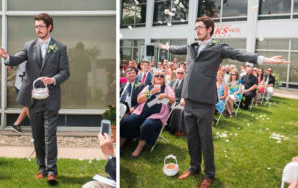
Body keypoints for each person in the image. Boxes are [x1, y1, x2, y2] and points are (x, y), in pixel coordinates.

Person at [158, 16, 289, 187]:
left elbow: (240, 54)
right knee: (191, 138)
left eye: (200, 27)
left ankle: (209, 174)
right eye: (196, 27)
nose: (197, 30)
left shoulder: (218, 48)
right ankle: (194, 167)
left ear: (210, 29)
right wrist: (166, 47)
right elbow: (176, 49)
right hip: (188, 100)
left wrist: (265, 60)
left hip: (205, 102)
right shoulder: (191, 46)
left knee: (205, 140)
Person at [0, 13, 69, 185]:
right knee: (38, 135)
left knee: (50, 135)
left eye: (41, 26)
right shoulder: (29, 45)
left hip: (51, 98)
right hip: (33, 99)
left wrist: (54, 79)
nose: (38, 29)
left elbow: (65, 71)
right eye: (36, 26)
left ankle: (52, 171)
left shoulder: (60, 47)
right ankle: (41, 168)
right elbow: (17, 58)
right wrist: (6, 57)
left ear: (49, 27)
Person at [120, 70, 175, 158]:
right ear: (154, 78)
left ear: (164, 78)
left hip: (158, 114)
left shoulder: (167, 88)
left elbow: (173, 101)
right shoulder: (148, 87)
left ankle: (139, 148)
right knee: (127, 121)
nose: (159, 77)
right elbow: (139, 100)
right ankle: (121, 142)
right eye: (157, 76)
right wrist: (150, 93)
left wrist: (166, 96)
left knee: (148, 124)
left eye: (161, 76)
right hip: (142, 111)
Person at [10, 61, 30, 133]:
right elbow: (9, 67)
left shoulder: (35, 55)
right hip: (21, 86)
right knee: (29, 105)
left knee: (28, 106)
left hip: (28, 86)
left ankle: (16, 125)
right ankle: (37, 127)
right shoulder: (20, 56)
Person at [168, 68, 186, 136]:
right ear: (176, 74)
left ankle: (176, 128)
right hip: (170, 100)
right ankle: (162, 125)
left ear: (184, 74)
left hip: (180, 101)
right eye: (178, 72)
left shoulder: (187, 83)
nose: (180, 74)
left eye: (182, 73)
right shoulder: (172, 82)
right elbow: (168, 92)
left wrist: (183, 99)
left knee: (178, 109)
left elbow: (188, 93)